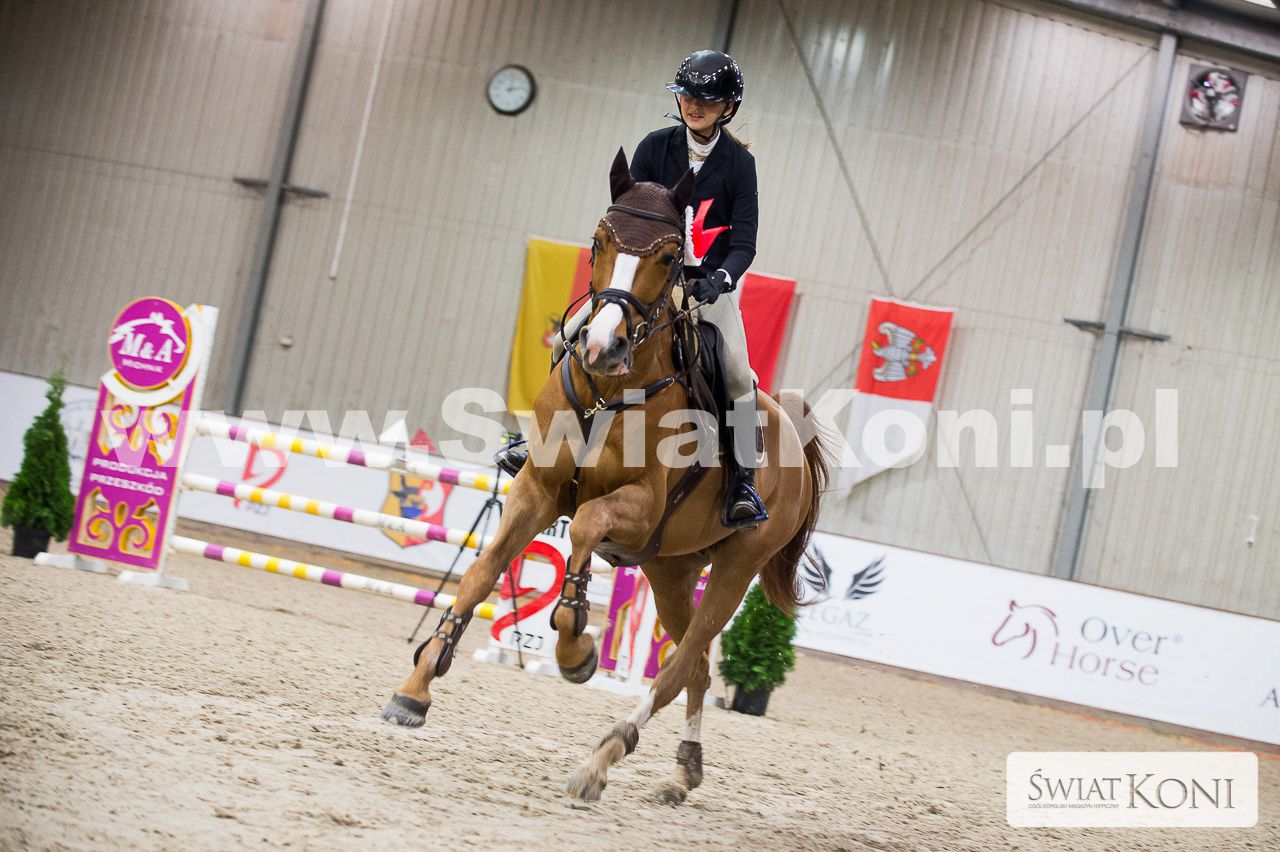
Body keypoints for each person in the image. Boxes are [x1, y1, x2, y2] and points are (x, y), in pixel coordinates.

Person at [496, 49, 768, 529]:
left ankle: (743, 482)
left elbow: (744, 240)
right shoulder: (654, 147)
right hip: (645, 282)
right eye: (687, 96)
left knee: (738, 375)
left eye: (707, 100)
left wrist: (720, 279)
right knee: (567, 337)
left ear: (728, 107)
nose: (694, 106)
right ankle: (540, 441)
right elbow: (627, 220)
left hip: (706, 287)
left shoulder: (738, 164)